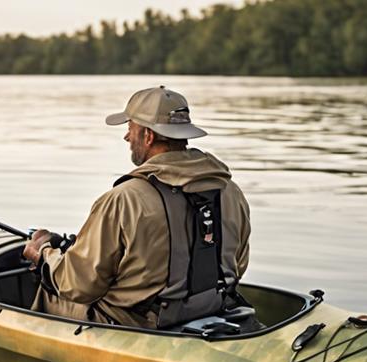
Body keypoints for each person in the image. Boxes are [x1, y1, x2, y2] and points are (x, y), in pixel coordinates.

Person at [23, 86, 251, 329]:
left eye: (130, 127)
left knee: (50, 290)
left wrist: (44, 254)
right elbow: (239, 264)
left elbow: (78, 286)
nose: (126, 137)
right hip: (212, 310)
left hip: (140, 325)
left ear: (147, 136)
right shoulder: (230, 191)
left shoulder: (123, 200)